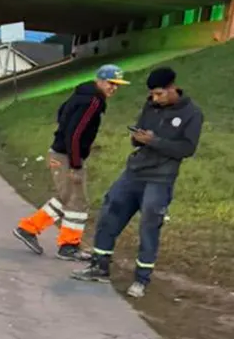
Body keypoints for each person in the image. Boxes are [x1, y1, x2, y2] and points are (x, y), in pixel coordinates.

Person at [73, 66, 203, 298]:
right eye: (152, 94)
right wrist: (137, 138)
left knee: (149, 226)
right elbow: (140, 131)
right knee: (110, 212)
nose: (155, 99)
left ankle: (141, 279)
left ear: (172, 88)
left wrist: (154, 141)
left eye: (159, 94)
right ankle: (99, 265)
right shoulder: (150, 105)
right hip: (134, 172)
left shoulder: (192, 113)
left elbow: (187, 149)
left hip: (160, 178)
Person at [13, 64, 129, 261]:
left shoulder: (82, 94)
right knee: (78, 201)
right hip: (66, 156)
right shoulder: (93, 101)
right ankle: (69, 246)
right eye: (111, 83)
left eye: (117, 85)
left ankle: (28, 228)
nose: (114, 88)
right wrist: (75, 165)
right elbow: (75, 134)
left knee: (65, 197)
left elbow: (62, 112)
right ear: (100, 81)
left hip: (60, 152)